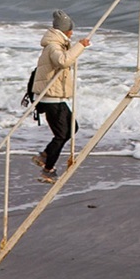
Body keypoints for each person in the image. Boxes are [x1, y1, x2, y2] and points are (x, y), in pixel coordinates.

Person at [31, 9, 91, 183]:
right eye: (70, 30)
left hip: (58, 97)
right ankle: (47, 170)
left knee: (72, 129)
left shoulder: (58, 45)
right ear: (64, 31)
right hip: (52, 98)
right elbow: (63, 61)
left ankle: (45, 155)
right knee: (61, 134)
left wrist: (76, 47)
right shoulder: (53, 46)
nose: (72, 33)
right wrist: (80, 46)